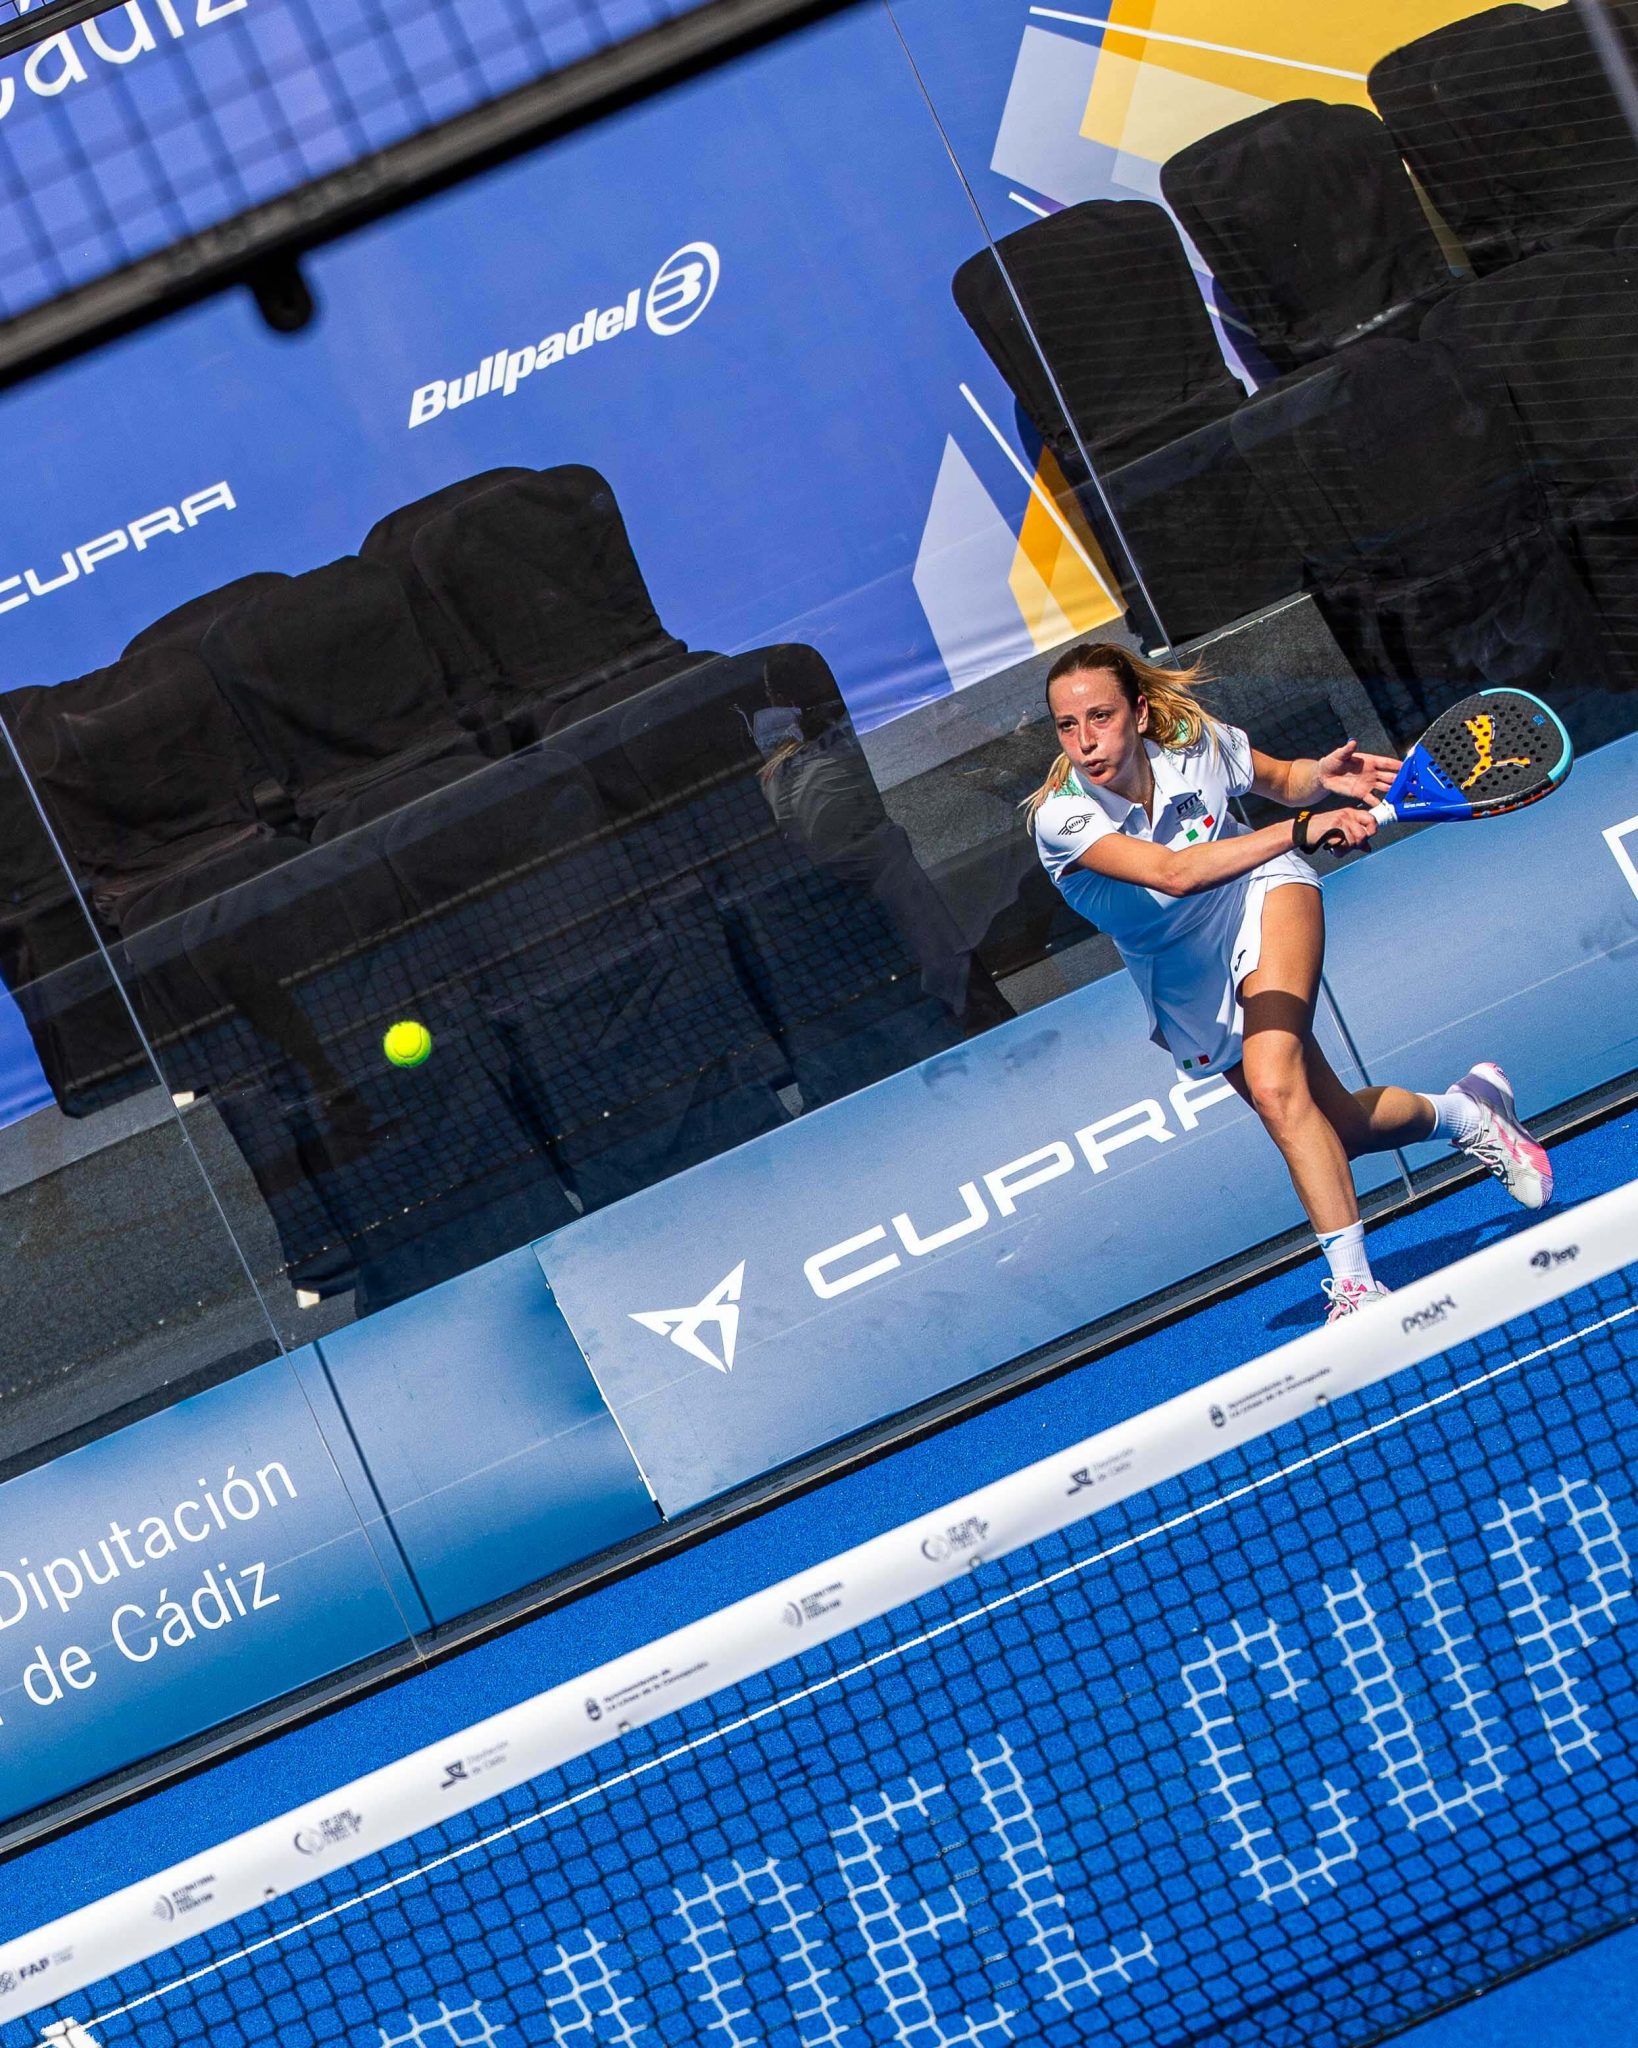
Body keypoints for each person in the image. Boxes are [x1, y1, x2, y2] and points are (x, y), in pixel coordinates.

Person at [1028, 641, 1553, 1322]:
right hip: (1183, 974)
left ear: (1141, 712)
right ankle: (1471, 1112)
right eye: (1068, 725)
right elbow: (1174, 874)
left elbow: (1282, 781)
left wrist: (1321, 778)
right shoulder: (1061, 815)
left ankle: (1356, 1289)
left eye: (1101, 716)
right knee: (1339, 1128)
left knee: (1275, 1085)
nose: (1085, 741)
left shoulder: (1194, 742)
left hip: (1260, 895)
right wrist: (1303, 827)